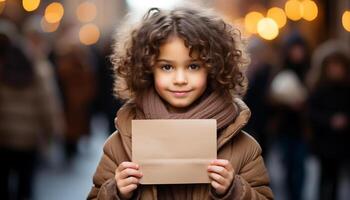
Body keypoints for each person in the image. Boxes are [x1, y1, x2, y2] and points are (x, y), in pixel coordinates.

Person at [88, 6, 273, 200]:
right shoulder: (120, 144)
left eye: (193, 66)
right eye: (167, 67)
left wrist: (234, 190)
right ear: (147, 70)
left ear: (213, 68)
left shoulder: (244, 148)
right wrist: (116, 192)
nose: (180, 79)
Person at [308, 51, 350, 200]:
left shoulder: (346, 89)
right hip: (324, 142)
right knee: (324, 178)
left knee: (337, 180)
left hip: (342, 142)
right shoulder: (319, 89)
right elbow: (311, 113)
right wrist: (329, 120)